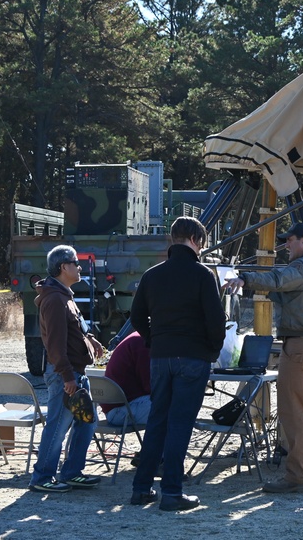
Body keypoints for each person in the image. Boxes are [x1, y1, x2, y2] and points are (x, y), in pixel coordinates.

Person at [226, 221, 303, 494]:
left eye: (289, 240)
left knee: (295, 413)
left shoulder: (302, 267)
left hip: (301, 346)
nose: (286, 245)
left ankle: (298, 477)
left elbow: (278, 279)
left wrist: (245, 278)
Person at [129, 216, 227, 511]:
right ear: (197, 241)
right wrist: (211, 349)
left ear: (173, 239)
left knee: (158, 421)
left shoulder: (152, 275)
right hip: (193, 356)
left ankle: (141, 488)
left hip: (160, 356)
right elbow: (216, 322)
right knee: (180, 424)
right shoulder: (203, 274)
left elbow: (136, 318)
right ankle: (171, 491)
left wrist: (153, 339)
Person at [28, 244, 105, 494]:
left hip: (76, 373)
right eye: (75, 263)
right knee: (58, 425)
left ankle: (72, 473)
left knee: (86, 423)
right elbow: (55, 344)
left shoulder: (65, 296)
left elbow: (75, 328)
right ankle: (42, 477)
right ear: (64, 267)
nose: (79, 267)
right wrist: (67, 376)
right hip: (66, 375)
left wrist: (90, 338)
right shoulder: (54, 299)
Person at [100, 330, 151, 427]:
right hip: (121, 411)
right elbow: (150, 386)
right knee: (176, 405)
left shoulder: (138, 338)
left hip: (117, 408)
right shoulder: (143, 343)